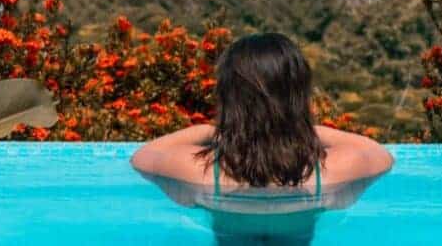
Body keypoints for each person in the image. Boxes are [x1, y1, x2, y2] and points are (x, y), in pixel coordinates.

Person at [131, 32, 393, 196]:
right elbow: (379, 154)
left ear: (229, 97)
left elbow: (143, 156)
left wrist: (219, 129)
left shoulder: (201, 172)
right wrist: (297, 127)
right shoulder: (330, 172)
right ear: (299, 97)